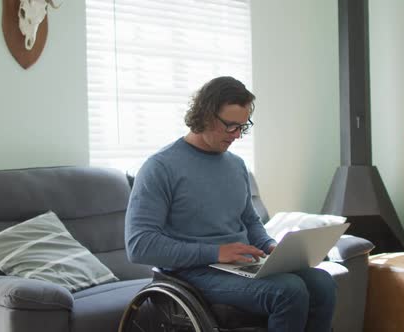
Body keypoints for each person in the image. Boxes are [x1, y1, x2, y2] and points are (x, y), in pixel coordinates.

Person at [125, 76, 337, 332]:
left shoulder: (236, 165)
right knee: (288, 292)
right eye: (230, 126)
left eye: (242, 127)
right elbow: (139, 245)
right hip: (192, 272)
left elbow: (249, 220)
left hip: (240, 266)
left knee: (322, 282)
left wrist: (270, 247)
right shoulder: (160, 167)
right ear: (205, 116)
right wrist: (216, 252)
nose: (237, 135)